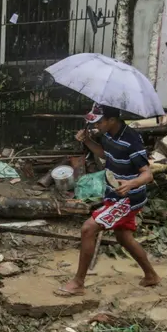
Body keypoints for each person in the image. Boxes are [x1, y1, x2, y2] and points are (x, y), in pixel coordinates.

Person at [57, 104, 160, 296]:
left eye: (99, 122)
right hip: (114, 193)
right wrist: (87, 140)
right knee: (123, 237)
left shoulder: (131, 140)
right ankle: (151, 275)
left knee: (88, 229)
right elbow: (106, 154)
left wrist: (130, 184)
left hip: (127, 198)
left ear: (112, 120)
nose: (96, 126)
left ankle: (78, 282)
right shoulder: (109, 135)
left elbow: (148, 175)